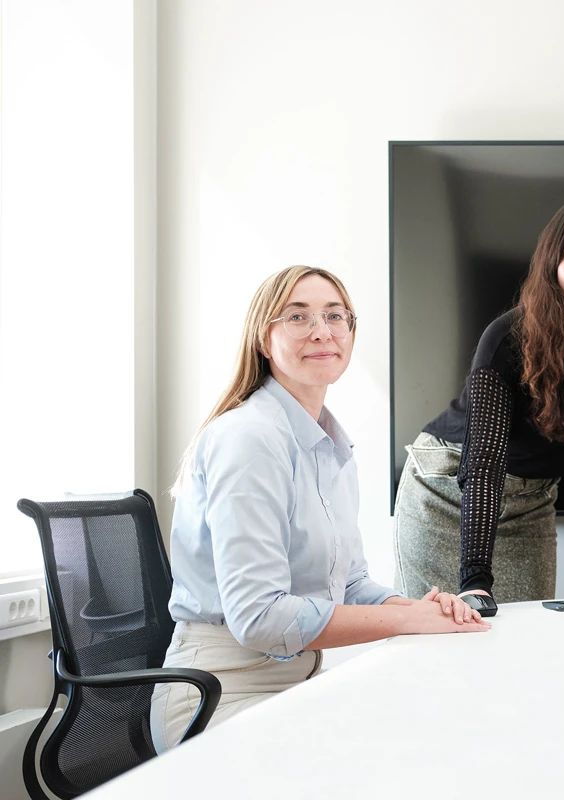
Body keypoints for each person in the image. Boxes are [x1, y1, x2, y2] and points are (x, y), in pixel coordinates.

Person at [153, 266, 487, 752]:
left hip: (296, 686)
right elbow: (259, 616)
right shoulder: (250, 439)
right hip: (220, 695)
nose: (321, 331)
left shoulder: (328, 445)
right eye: (297, 317)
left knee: (432, 728)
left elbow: (349, 584)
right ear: (263, 339)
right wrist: (407, 621)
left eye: (335, 316)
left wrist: (419, 608)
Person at [394, 194, 564, 604]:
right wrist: (474, 581)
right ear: (551, 264)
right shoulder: (507, 339)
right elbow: (484, 464)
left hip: (531, 501)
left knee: (529, 635)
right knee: (441, 629)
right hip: (450, 490)